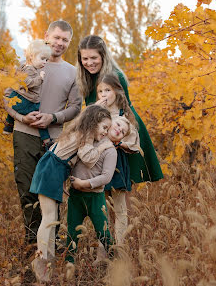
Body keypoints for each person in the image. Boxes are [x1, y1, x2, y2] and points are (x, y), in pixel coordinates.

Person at [3, 20, 81, 263]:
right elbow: (6, 99)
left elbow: (77, 107)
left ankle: (51, 244)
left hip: (55, 140)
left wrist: (54, 117)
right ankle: (31, 243)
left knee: (51, 192)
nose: (59, 43)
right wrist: (21, 116)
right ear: (46, 35)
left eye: (64, 40)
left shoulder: (72, 72)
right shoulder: (23, 66)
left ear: (68, 43)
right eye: (56, 37)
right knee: (26, 190)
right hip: (24, 134)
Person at [29, 105, 114, 282]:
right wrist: (103, 147)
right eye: (104, 127)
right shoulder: (86, 135)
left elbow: (63, 156)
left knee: (52, 220)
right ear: (94, 122)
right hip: (51, 171)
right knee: (49, 218)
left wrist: (61, 181)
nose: (106, 132)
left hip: (52, 170)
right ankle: (42, 265)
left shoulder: (80, 131)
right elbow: (89, 159)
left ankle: (48, 265)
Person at [77, 35, 163, 185]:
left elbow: (125, 108)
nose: (89, 63)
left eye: (94, 58)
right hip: (102, 132)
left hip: (122, 129)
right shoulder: (86, 78)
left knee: (124, 184)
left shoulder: (115, 76)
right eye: (85, 59)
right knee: (104, 184)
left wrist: (119, 137)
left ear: (103, 56)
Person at [64, 115, 133, 264]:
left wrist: (84, 183)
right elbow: (72, 160)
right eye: (118, 124)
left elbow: (106, 177)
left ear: (119, 139)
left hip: (95, 197)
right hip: (76, 197)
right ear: (108, 123)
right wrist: (65, 179)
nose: (119, 129)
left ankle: (115, 264)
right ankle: (68, 266)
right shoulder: (88, 140)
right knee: (72, 232)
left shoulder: (111, 151)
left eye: (122, 131)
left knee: (103, 233)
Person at [95, 73, 141, 246]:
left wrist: (121, 143)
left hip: (119, 164)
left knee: (120, 208)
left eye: (108, 90)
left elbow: (134, 140)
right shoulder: (98, 111)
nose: (104, 94)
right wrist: (94, 111)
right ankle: (103, 246)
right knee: (102, 208)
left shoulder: (124, 113)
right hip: (100, 163)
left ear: (117, 91)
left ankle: (120, 245)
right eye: (100, 91)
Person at [3, 39, 52, 146]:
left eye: (47, 60)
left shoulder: (24, 66)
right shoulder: (29, 70)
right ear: (31, 57)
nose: (45, 62)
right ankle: (46, 140)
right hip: (26, 99)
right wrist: (40, 78)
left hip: (17, 96)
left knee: (13, 104)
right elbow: (28, 84)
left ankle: (8, 126)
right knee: (39, 117)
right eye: (42, 58)